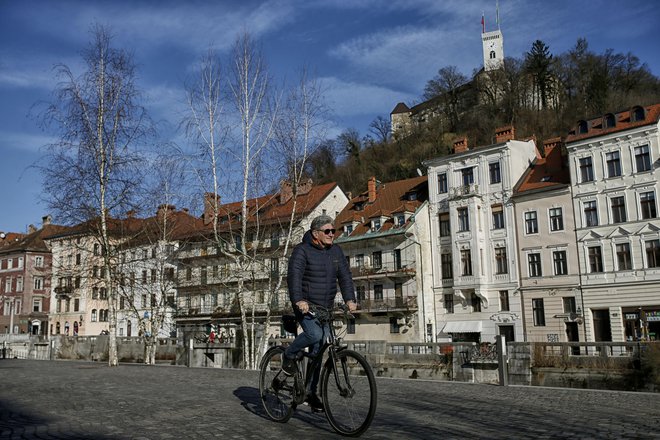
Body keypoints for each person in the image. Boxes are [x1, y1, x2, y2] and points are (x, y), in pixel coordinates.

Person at [283, 214, 357, 412]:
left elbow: (345, 277)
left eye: (333, 231)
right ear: (316, 234)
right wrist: (298, 300)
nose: (332, 234)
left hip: (325, 308)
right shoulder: (302, 251)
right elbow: (294, 277)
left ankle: (310, 392)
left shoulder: (336, 252)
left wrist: (350, 299)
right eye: (327, 231)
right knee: (314, 335)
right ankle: (289, 355)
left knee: (319, 350)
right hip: (306, 306)